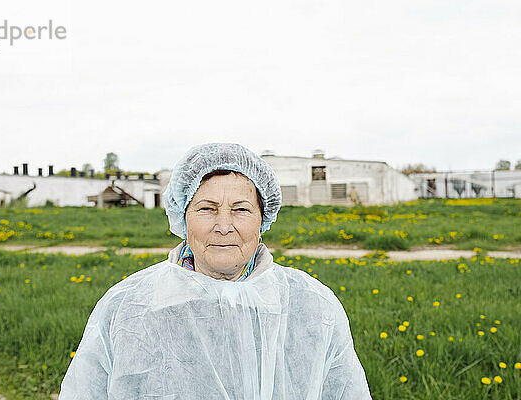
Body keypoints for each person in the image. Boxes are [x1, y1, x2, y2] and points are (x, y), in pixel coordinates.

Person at [59, 143, 371, 399]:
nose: (224, 226)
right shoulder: (127, 306)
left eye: (241, 210)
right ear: (183, 218)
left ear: (263, 221)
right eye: (207, 208)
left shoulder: (314, 306)